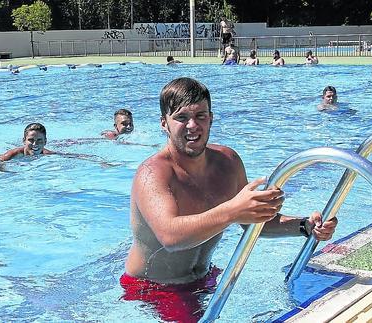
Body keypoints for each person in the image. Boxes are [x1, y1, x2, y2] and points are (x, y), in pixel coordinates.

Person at [121, 77, 338, 322]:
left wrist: (305, 226)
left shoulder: (228, 162)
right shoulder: (153, 174)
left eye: (200, 116)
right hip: (156, 287)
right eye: (181, 117)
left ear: (211, 118)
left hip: (205, 275)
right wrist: (234, 210)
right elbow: (171, 237)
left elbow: (254, 224)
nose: (192, 125)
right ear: (164, 124)